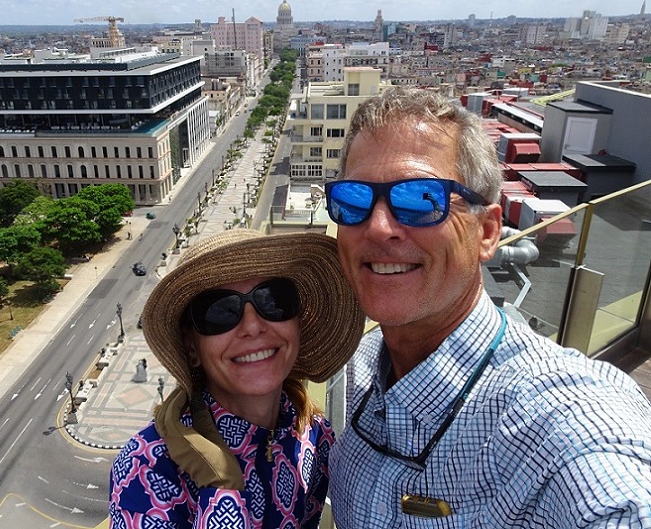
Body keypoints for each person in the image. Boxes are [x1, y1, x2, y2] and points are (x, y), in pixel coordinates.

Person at [325, 86, 651, 527]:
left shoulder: (555, 420)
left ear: (487, 232)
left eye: (421, 199)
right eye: (353, 200)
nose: (379, 227)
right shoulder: (362, 369)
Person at [109, 229, 364, 528]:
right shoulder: (148, 466)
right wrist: (221, 486)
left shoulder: (314, 435)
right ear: (192, 348)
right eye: (220, 311)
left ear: (297, 323)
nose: (253, 326)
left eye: (273, 300)